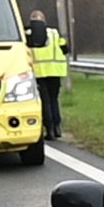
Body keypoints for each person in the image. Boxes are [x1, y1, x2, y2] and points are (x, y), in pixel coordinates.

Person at [26, 10, 69, 139]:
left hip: (39, 72)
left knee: (45, 102)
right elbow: (65, 49)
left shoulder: (28, 34)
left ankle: (49, 130)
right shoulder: (54, 33)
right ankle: (57, 128)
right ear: (44, 20)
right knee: (54, 99)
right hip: (56, 71)